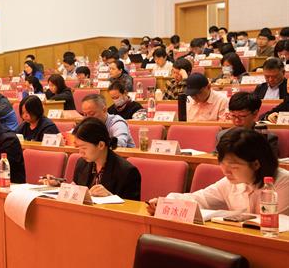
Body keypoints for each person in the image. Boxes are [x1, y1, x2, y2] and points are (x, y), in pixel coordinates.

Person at [147, 128, 289, 216]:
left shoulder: (283, 183)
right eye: (222, 164)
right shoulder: (231, 182)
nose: (226, 172)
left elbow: (276, 225)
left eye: (233, 166)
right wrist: (164, 203)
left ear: (256, 164)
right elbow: (200, 199)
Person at [70, 117, 141, 200]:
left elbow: (132, 206)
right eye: (78, 148)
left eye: (84, 148)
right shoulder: (81, 163)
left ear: (101, 145)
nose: (80, 153)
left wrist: (111, 197)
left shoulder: (127, 171)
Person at [216, 92, 278, 156]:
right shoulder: (222, 135)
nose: (237, 120)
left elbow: (269, 161)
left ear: (255, 113)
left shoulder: (267, 138)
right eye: (233, 116)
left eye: (242, 116)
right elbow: (215, 158)